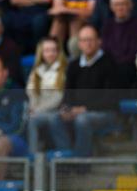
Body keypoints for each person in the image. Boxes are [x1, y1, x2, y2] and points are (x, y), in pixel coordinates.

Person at [48, 24, 119, 157]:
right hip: (79, 111)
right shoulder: (74, 65)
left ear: (99, 41)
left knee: (82, 120)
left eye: (91, 39)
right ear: (79, 44)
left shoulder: (109, 63)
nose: (88, 44)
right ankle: (66, 159)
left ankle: (81, 163)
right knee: (55, 118)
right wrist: (67, 108)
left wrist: (84, 109)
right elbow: (68, 93)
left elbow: (111, 98)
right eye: (84, 40)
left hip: (104, 112)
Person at [26, 37, 66, 153]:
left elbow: (58, 98)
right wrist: (33, 108)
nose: (50, 54)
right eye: (47, 50)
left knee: (47, 119)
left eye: (54, 50)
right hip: (38, 112)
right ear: (41, 53)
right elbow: (31, 93)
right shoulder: (36, 71)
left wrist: (38, 110)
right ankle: (33, 156)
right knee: (29, 119)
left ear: (58, 52)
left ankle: (64, 153)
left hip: (56, 110)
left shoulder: (63, 71)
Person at [101, 0, 137, 87]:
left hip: (129, 65)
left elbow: (134, 51)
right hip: (110, 65)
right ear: (111, 7)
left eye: (123, 4)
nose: (120, 8)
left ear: (130, 5)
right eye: (116, 4)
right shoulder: (107, 25)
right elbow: (105, 48)